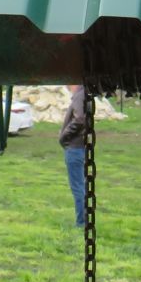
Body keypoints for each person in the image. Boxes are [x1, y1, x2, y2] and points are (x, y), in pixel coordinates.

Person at [58, 85, 89, 228]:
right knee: (80, 186)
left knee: (78, 187)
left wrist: (64, 136)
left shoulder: (79, 95)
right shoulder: (85, 94)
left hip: (75, 148)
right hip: (80, 147)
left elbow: (80, 119)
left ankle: (81, 222)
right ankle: (83, 220)